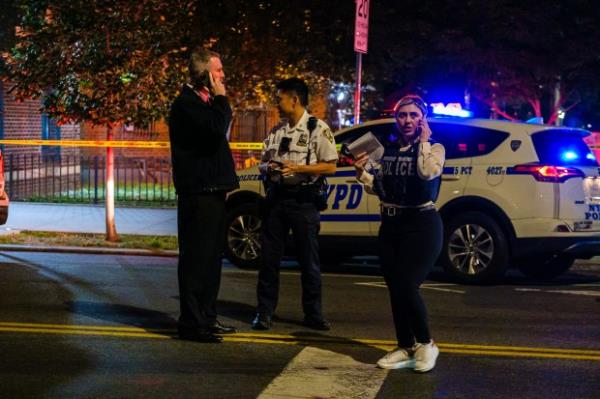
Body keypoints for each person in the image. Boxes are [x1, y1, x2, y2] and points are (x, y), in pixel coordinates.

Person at [354, 94, 444, 372]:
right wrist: (362, 174)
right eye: (402, 115)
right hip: (391, 225)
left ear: (422, 119)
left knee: (407, 284)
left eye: (414, 115)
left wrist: (425, 140)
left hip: (422, 225)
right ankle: (405, 346)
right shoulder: (389, 150)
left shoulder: (435, 148)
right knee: (395, 288)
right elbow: (382, 187)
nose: (407, 120)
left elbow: (428, 173)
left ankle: (427, 344)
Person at [252, 78, 338, 331]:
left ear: (294, 99)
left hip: (304, 201)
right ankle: (264, 312)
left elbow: (331, 166)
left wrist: (299, 168)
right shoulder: (277, 131)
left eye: (280, 98)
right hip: (277, 200)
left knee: (308, 260)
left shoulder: (317, 129)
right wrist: (270, 167)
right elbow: (263, 161)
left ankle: (313, 314)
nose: (276, 103)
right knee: (269, 259)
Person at [168, 47, 239, 343]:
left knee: (211, 260)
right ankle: (192, 323)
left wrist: (218, 100)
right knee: (197, 260)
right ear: (204, 73)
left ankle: (207, 317)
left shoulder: (204, 102)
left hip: (213, 191)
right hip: (198, 193)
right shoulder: (186, 104)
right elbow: (214, 131)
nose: (223, 76)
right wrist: (222, 98)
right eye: (218, 70)